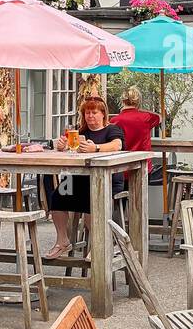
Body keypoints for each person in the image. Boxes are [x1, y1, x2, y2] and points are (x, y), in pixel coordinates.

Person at [44, 97, 125, 258]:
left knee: (92, 200)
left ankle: (98, 245)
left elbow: (117, 145)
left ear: (103, 114)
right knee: (58, 195)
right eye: (87, 112)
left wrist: (96, 148)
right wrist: (62, 146)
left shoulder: (112, 130)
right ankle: (62, 241)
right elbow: (71, 149)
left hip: (106, 181)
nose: (90, 116)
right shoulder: (80, 133)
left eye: (94, 112)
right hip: (79, 179)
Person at [110, 86, 161, 169]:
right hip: (143, 165)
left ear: (123, 101)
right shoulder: (146, 117)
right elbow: (159, 117)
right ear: (138, 101)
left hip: (122, 166)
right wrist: (142, 110)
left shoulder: (115, 120)